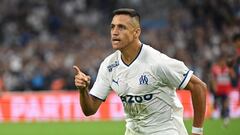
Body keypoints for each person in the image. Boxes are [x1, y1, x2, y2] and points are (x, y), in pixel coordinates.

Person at [73, 8, 207, 135]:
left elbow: (199, 86)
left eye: (121, 27)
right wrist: (83, 90)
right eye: (112, 27)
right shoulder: (109, 65)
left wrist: (197, 131)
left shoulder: (157, 62)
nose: (114, 32)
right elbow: (89, 110)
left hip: (166, 130)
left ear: (136, 32)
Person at [211, 54, 232, 126]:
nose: (223, 63)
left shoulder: (228, 69)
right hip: (218, 90)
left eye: (224, 61)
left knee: (225, 104)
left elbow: (233, 76)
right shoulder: (215, 68)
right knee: (216, 103)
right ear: (219, 62)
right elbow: (213, 79)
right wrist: (214, 88)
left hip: (226, 90)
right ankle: (216, 115)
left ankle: (226, 118)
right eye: (221, 61)